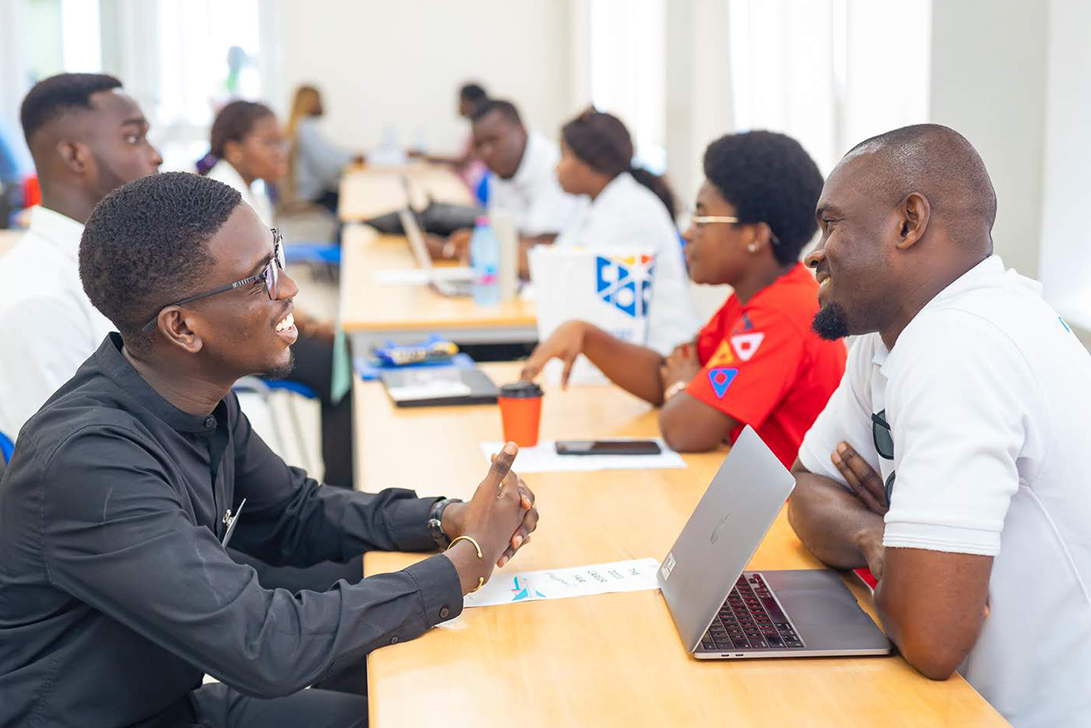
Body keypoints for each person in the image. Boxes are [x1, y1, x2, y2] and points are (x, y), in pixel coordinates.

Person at [0, 171, 540, 728]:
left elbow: (293, 513)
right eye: (259, 279)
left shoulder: (195, 399)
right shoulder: (92, 463)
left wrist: (443, 517)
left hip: (165, 700)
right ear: (183, 327)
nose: (288, 289)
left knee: (414, 693)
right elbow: (268, 646)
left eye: (274, 257)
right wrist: (464, 565)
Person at [788, 124, 1091, 728]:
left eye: (832, 224)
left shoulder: (960, 342)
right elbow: (805, 490)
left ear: (909, 223)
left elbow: (930, 638)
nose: (815, 253)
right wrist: (881, 540)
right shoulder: (891, 338)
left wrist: (904, 560)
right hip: (965, 701)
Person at [522, 131, 845, 462]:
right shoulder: (754, 300)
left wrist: (680, 388)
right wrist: (587, 336)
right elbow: (667, 370)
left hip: (782, 510)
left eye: (702, 219)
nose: (688, 233)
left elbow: (684, 429)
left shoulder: (783, 314)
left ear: (753, 236)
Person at [203, 99, 355, 489]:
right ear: (235, 149)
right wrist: (306, 323)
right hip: (236, 334)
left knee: (341, 352)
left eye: (282, 142)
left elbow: (270, 281)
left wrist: (307, 321)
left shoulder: (248, 191)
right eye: (270, 143)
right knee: (339, 366)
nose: (282, 153)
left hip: (256, 321)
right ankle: (341, 487)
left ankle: (342, 486)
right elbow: (249, 294)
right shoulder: (224, 199)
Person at [0, 73, 161, 441]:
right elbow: (73, 459)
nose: (155, 155)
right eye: (134, 138)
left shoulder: (122, 262)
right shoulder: (38, 297)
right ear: (74, 155)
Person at [552, 108, 698, 354]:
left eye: (564, 156)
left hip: (660, 352)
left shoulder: (630, 212)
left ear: (589, 164)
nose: (556, 168)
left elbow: (584, 286)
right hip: (627, 349)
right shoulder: (596, 205)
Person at [432, 99, 582, 271]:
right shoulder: (502, 168)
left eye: (494, 141)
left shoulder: (555, 167)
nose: (486, 153)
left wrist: (475, 247)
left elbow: (544, 245)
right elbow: (502, 228)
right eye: (479, 145)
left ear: (522, 130)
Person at [285, 84, 362, 214]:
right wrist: (351, 159)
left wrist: (351, 157)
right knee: (354, 201)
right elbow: (326, 164)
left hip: (305, 192)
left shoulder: (298, 126)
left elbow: (329, 153)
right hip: (312, 195)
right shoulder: (306, 127)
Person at [413, 81, 489, 194]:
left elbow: (463, 161)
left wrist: (426, 157)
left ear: (469, 104)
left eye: (460, 101)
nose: (458, 106)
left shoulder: (480, 129)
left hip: (474, 187)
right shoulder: (476, 127)